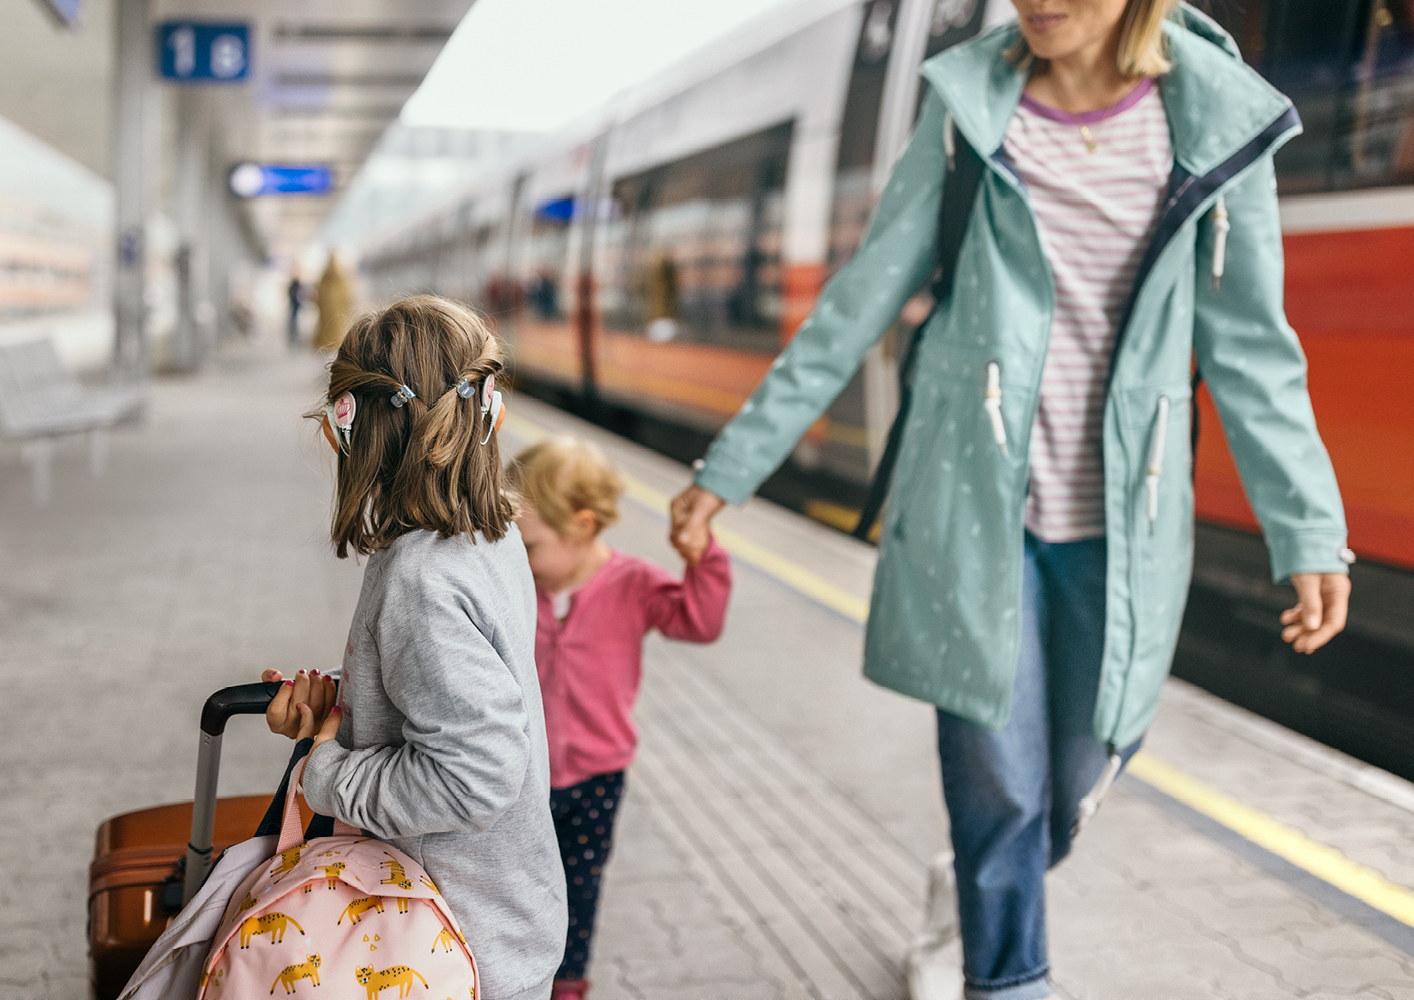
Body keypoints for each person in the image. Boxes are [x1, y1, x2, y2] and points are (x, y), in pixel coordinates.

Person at [668, 4, 1353, 999]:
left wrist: (1309, 530)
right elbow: (856, 302)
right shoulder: (966, 107)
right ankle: (1006, 971)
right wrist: (726, 470)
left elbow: (1252, 351)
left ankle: (980, 885)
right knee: (997, 783)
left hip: (1124, 521)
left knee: (1079, 776)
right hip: (973, 509)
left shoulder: (1216, 123)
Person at [261, 295, 568, 1000]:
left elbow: (475, 775)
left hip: (453, 949)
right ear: (487, 409)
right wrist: (347, 702)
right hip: (487, 918)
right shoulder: (487, 536)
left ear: (348, 427)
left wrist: (327, 771)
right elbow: (458, 680)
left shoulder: (422, 579)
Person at [506, 437, 731, 1000]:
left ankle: (567, 983)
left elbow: (698, 622)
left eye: (528, 545)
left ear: (581, 527)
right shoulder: (514, 585)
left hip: (596, 779)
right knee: (511, 887)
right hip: (518, 775)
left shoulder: (633, 584)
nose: (516, 557)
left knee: (579, 889)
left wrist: (703, 556)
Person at [312, 252, 352, 352]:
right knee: (337, 339)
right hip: (338, 319)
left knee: (326, 341)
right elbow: (348, 299)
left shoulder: (323, 280)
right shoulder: (342, 280)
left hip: (325, 319)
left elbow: (318, 299)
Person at [285, 272, 306, 348]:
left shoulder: (298, 285)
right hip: (294, 306)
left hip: (297, 307)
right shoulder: (295, 285)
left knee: (297, 322)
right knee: (294, 322)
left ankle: (296, 339)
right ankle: (293, 337)